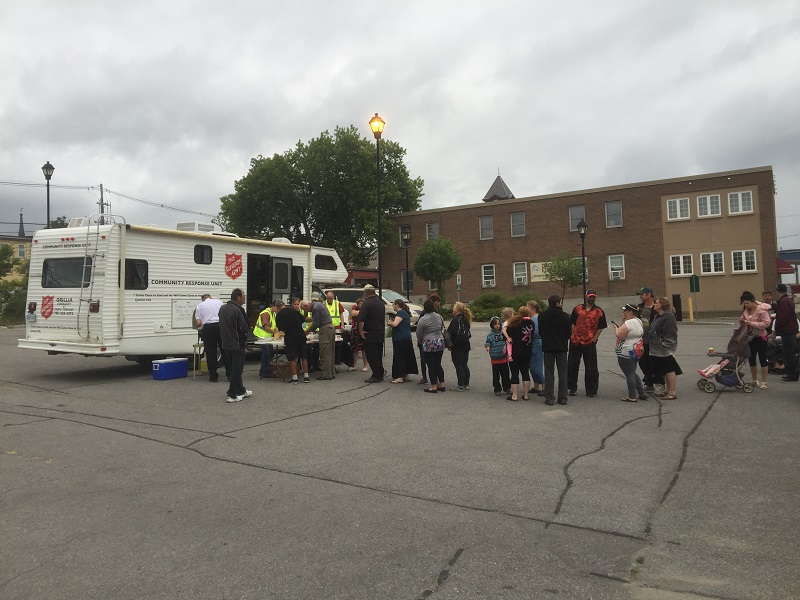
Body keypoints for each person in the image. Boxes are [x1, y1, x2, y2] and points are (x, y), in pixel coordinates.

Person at [568, 289, 607, 398]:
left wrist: (594, 339)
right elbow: (573, 323)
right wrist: (572, 335)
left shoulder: (599, 311)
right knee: (572, 365)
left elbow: (601, 327)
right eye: (590, 296)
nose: (591, 298)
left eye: (593, 297)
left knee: (591, 367)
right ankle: (572, 387)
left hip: (589, 342)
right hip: (576, 341)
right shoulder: (578, 308)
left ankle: (591, 390)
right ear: (586, 297)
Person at [219, 288, 251, 403]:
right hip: (237, 342)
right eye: (243, 296)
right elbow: (244, 327)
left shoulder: (222, 308)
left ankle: (241, 390)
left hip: (226, 342)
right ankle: (232, 394)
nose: (244, 298)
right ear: (238, 297)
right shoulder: (238, 309)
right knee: (237, 369)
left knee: (234, 367)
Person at [538, 295, 571, 406]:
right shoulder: (565, 316)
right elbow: (568, 333)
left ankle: (549, 397)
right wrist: (563, 339)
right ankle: (562, 397)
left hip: (548, 346)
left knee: (549, 372)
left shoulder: (542, 316)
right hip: (561, 346)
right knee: (563, 373)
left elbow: (541, 331)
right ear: (557, 303)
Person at [613, 304, 648, 402]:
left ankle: (632, 396)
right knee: (632, 372)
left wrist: (616, 327)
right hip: (636, 349)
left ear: (630, 312)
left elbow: (620, 336)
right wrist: (623, 321)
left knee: (629, 374)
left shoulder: (629, 323)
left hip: (626, 351)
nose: (623, 312)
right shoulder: (639, 321)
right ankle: (641, 392)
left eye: (625, 311)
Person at [649, 297, 681, 399]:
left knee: (669, 368)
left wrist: (664, 344)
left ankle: (672, 392)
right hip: (657, 348)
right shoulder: (658, 316)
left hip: (665, 348)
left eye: (657, 303)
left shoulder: (668, 317)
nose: (654, 304)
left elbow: (671, 332)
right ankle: (667, 390)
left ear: (662, 305)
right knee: (664, 369)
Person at [739, 291, 773, 389]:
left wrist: (751, 323)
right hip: (750, 337)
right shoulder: (746, 310)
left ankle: (764, 381)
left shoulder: (762, 309)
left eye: (747, 303)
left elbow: (766, 323)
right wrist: (742, 321)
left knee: (763, 358)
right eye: (744, 303)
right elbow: (742, 319)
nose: (746, 305)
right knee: (751, 359)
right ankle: (754, 380)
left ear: (753, 301)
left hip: (761, 336)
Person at [636, 286, 665, 393]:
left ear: (648, 295)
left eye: (642, 294)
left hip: (654, 341)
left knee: (656, 362)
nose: (640, 296)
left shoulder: (657, 308)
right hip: (642, 340)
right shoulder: (639, 307)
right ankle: (649, 382)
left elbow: (666, 317)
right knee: (643, 362)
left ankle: (660, 383)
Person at [276, 298, 310, 384]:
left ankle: (294, 377)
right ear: (284, 304)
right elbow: (303, 320)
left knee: (292, 358)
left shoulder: (279, 315)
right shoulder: (293, 311)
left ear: (277, 307)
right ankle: (306, 376)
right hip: (301, 336)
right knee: (303, 356)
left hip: (290, 337)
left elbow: (281, 331)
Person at [416, 299, 446, 393]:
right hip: (439, 341)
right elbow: (442, 327)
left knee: (431, 365)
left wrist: (421, 341)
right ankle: (442, 384)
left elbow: (419, 332)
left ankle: (433, 386)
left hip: (429, 342)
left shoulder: (423, 319)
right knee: (438, 364)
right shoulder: (439, 316)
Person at [194, 293, 226, 383]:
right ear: (211, 297)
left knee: (211, 352)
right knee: (225, 350)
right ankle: (230, 374)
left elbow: (198, 323)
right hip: (220, 326)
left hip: (208, 329)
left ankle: (213, 376)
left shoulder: (199, 306)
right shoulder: (219, 302)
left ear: (202, 299)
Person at [358, 284, 386, 383]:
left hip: (370, 333)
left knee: (371, 355)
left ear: (365, 293)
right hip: (380, 332)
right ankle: (380, 373)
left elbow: (361, 319)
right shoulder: (380, 303)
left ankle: (376, 375)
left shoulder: (367, 304)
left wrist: (361, 331)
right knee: (378, 355)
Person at [505, 306, 534, 401]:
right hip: (527, 351)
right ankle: (526, 395)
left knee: (514, 373)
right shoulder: (531, 323)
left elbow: (507, 333)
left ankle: (514, 395)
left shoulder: (515, 323)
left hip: (515, 351)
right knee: (525, 372)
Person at [305, 298, 336, 380]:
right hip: (330, 327)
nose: (307, 311)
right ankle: (331, 372)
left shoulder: (315, 308)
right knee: (330, 351)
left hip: (325, 329)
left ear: (307, 305)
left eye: (305, 309)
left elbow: (316, 323)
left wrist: (307, 331)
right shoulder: (319, 305)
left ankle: (326, 374)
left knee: (325, 352)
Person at [388, 299, 418, 383]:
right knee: (406, 356)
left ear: (397, 305)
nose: (393, 306)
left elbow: (395, 324)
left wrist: (390, 323)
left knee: (399, 356)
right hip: (406, 338)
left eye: (393, 304)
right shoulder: (405, 313)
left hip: (400, 338)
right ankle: (406, 374)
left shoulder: (400, 313)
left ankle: (400, 376)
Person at [774, 283, 799, 382]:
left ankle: (793, 374)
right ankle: (791, 373)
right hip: (790, 329)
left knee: (789, 353)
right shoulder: (787, 300)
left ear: (778, 291)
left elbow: (783, 317)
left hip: (787, 331)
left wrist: (777, 328)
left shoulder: (783, 301)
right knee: (789, 352)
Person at [447, 301, 473, 391]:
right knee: (464, 364)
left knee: (458, 365)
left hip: (457, 345)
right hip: (466, 344)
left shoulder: (455, 320)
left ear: (457, 309)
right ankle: (466, 383)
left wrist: (450, 344)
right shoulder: (465, 319)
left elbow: (452, 332)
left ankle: (460, 385)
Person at [253, 299, 281, 379]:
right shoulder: (265, 313)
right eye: (277, 307)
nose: (278, 309)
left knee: (270, 353)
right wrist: (275, 332)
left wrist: (277, 331)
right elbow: (266, 327)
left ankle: (267, 370)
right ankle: (263, 372)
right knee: (267, 353)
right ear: (273, 306)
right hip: (261, 336)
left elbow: (274, 326)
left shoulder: (273, 313)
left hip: (267, 337)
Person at [418, 294, 441, 385]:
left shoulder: (433, 313)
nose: (439, 304)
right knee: (426, 361)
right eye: (438, 302)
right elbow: (420, 329)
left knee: (430, 361)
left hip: (427, 340)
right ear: (433, 302)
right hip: (428, 341)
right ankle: (426, 377)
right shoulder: (427, 314)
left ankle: (433, 378)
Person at [485, 316, 511, 396]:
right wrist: (487, 347)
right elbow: (487, 342)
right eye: (495, 324)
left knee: (505, 374)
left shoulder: (503, 333)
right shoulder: (490, 335)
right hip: (495, 357)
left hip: (503, 357)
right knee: (496, 375)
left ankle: (507, 387)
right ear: (492, 325)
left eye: (499, 324)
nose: (497, 326)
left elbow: (507, 341)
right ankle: (497, 388)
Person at [527, 300, 544, 396]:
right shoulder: (532, 318)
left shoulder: (536, 319)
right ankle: (536, 385)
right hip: (532, 343)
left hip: (537, 343)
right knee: (532, 365)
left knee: (536, 366)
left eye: (528, 307)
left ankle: (544, 385)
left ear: (533, 309)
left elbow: (536, 332)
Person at [349, 298, 367, 372]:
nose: (361, 304)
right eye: (360, 303)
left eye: (363, 303)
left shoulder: (366, 308)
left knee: (364, 349)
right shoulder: (354, 308)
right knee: (354, 348)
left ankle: (365, 365)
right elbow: (353, 313)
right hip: (355, 331)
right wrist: (361, 312)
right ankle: (354, 365)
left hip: (363, 330)